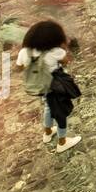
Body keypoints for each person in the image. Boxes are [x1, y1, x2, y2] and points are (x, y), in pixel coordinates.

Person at [15, 21, 82, 153]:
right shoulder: (55, 52)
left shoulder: (24, 52)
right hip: (55, 86)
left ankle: (48, 131)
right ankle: (62, 141)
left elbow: (19, 67)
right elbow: (66, 61)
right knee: (60, 112)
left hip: (39, 85)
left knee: (48, 106)